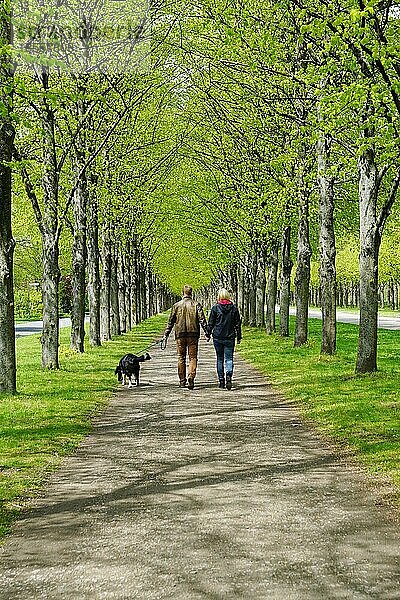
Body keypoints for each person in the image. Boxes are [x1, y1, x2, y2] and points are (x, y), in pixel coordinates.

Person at [164, 285, 208, 390]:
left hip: (180, 334)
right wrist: (207, 332)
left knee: (181, 358)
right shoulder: (196, 304)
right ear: (191, 293)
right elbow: (202, 320)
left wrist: (166, 334)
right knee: (192, 357)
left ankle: (182, 381)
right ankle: (191, 376)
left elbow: (171, 321)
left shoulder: (176, 306)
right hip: (193, 334)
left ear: (182, 293)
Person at [206, 288, 242, 390]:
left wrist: (208, 334)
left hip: (218, 337)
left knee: (220, 359)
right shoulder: (234, 308)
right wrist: (239, 336)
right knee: (229, 358)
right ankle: (229, 376)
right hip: (230, 337)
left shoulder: (215, 308)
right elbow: (237, 324)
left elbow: (211, 323)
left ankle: (221, 381)